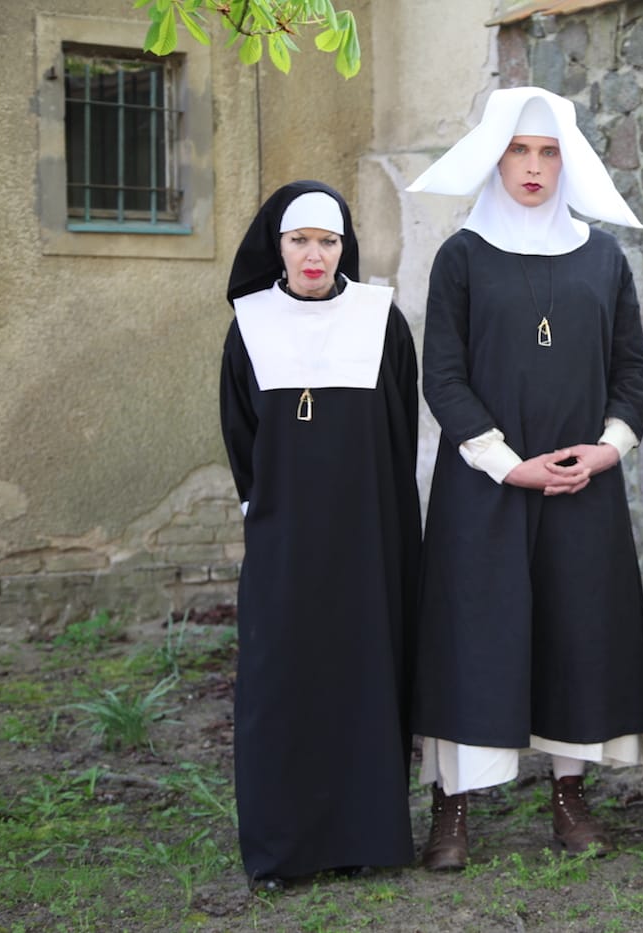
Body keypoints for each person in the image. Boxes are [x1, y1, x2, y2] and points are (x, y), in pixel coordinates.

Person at [406, 86, 643, 870]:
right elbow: (442, 375)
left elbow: (631, 369)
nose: (533, 167)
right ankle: (452, 806)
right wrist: (504, 461)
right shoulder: (461, 256)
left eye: (548, 151)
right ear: (496, 156)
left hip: (580, 485)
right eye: (519, 151)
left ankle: (568, 794)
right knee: (471, 637)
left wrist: (607, 449)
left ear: (568, 160)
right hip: (484, 487)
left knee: (574, 632)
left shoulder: (601, 258)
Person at [219, 180, 421, 890]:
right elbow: (241, 434)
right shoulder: (251, 324)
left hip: (368, 535)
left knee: (364, 670)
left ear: (345, 248)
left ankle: (364, 835)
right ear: (277, 245)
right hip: (285, 537)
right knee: (284, 678)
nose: (314, 255)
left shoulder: (380, 320)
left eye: (327, 241)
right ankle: (283, 847)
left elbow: (400, 429)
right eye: (300, 240)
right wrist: (266, 512)